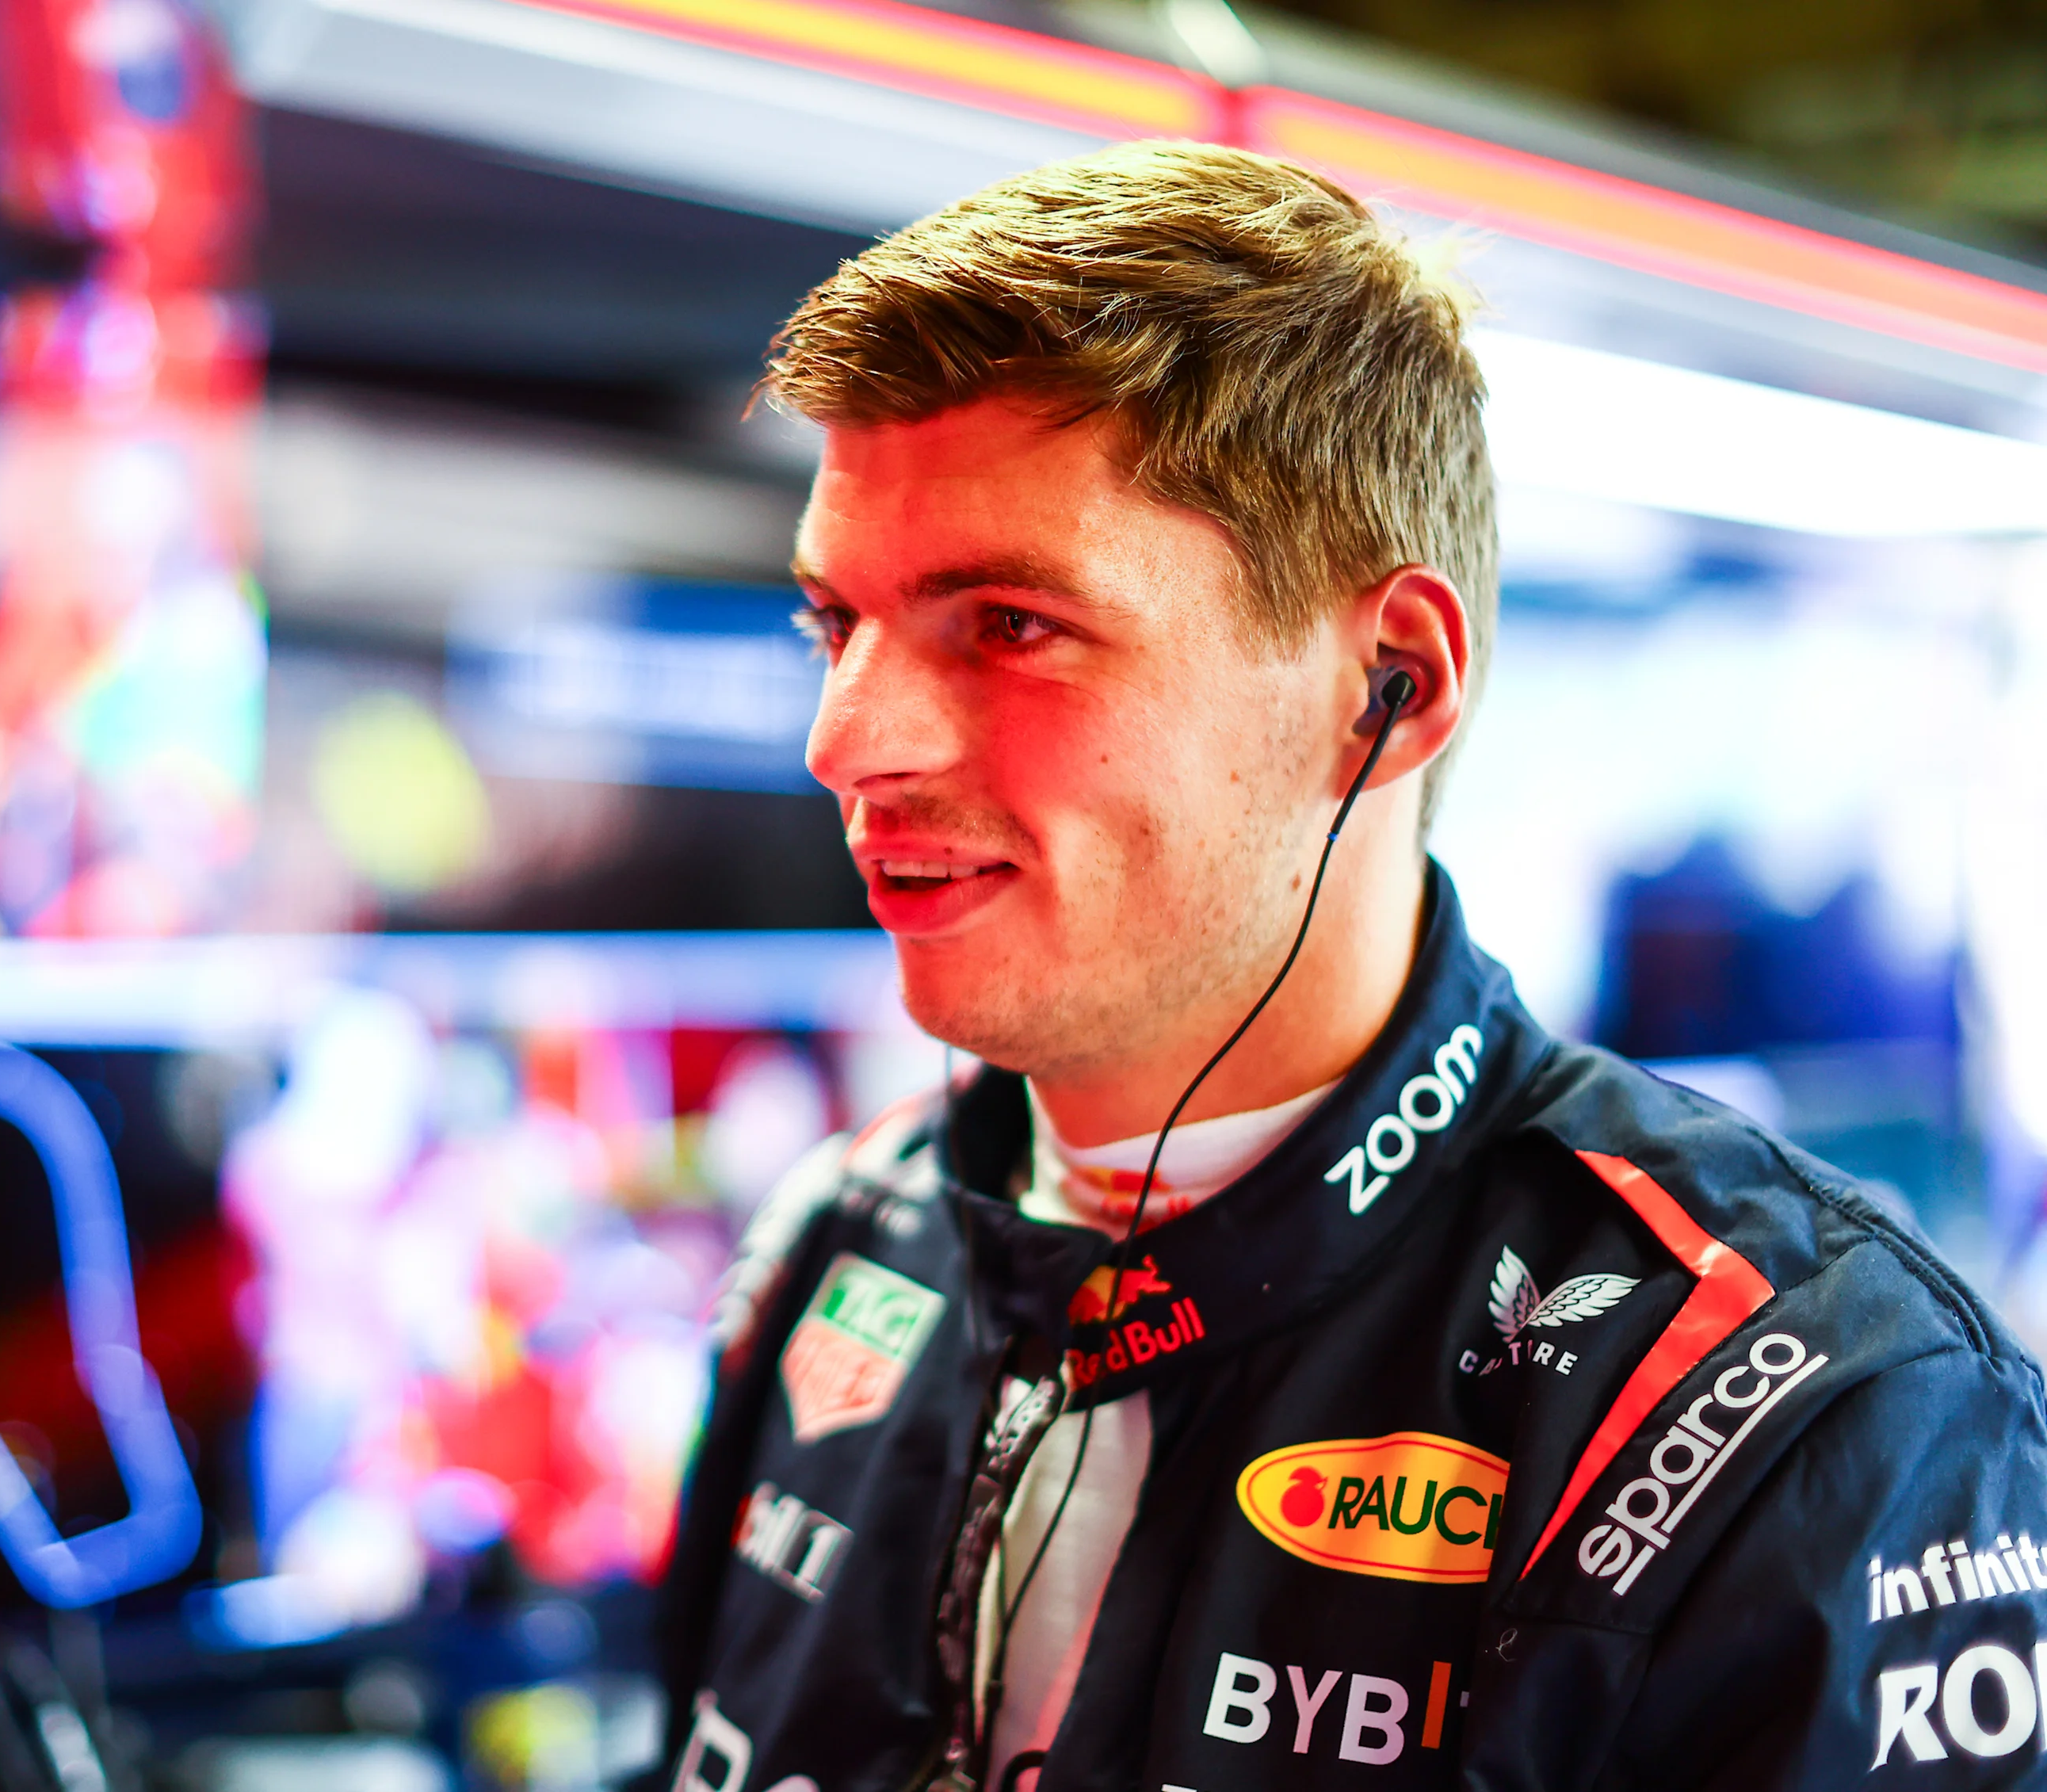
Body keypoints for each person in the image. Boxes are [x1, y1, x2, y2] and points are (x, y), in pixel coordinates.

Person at [656, 140, 2047, 1791]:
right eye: (836, 625)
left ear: (1389, 685)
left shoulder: (1816, 1408)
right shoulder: (833, 1246)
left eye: (1010, 624)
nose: (846, 740)